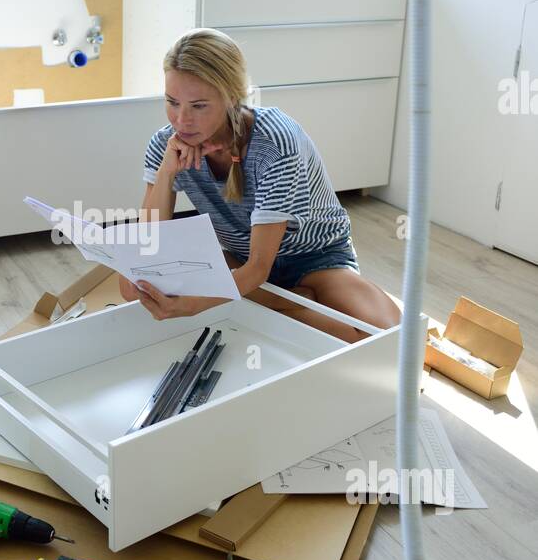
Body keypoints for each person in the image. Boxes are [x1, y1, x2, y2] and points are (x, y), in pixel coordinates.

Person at [118, 28, 401, 344]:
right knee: (134, 286)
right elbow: (149, 247)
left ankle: (273, 300)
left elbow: (258, 267)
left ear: (231, 98)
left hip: (315, 258)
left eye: (198, 106)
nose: (181, 120)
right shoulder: (166, 145)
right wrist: (167, 172)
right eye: (172, 102)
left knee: (387, 338)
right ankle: (285, 300)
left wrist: (196, 305)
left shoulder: (275, 143)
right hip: (239, 258)